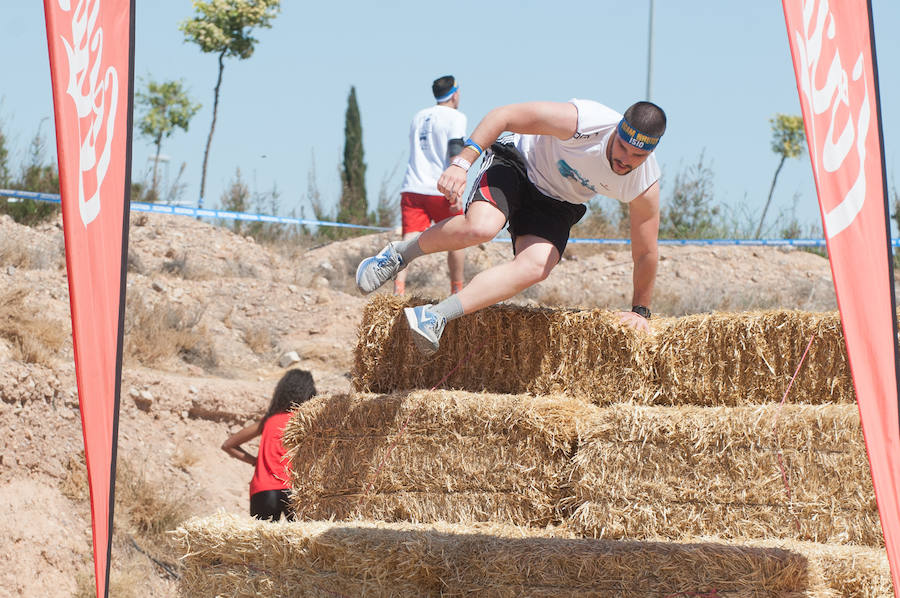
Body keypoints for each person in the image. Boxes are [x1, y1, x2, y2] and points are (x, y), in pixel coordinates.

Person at [356, 98, 665, 355]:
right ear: (617, 130)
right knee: (481, 227)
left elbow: (646, 253)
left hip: (558, 201)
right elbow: (503, 116)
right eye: (622, 147)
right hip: (518, 164)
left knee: (535, 268)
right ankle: (399, 254)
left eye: (638, 155)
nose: (625, 159)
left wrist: (640, 311)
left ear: (651, 151)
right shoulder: (582, 122)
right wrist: (461, 163)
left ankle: (434, 317)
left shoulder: (643, 184)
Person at [389, 75, 468, 296]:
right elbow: (454, 152)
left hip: (412, 186)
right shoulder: (456, 117)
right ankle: (457, 291)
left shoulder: (419, 116)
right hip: (440, 188)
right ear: (455, 93)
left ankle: (398, 290)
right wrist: (456, 193)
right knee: (458, 239)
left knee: (408, 239)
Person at [221, 369, 317, 521]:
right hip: (294, 489)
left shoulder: (267, 421)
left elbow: (228, 445)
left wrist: (255, 461)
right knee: (303, 540)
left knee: (265, 543)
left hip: (263, 489)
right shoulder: (305, 422)